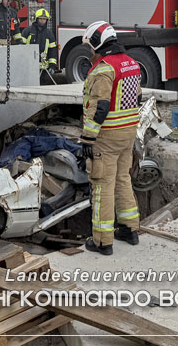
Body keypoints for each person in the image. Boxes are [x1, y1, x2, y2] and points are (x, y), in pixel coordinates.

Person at [79, 21, 142, 256]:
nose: (90, 51)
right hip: (127, 134)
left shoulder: (103, 68)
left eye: (90, 46)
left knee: (102, 187)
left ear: (97, 42)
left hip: (106, 137)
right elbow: (137, 99)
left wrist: (88, 138)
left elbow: (100, 107)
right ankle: (130, 229)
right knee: (123, 180)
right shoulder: (131, 64)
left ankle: (102, 241)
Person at [22, 8, 58, 84]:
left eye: (44, 19)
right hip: (29, 67)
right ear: (36, 19)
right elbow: (21, 49)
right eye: (41, 19)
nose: (42, 21)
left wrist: (52, 66)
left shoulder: (49, 34)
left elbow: (53, 51)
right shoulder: (27, 32)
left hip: (44, 69)